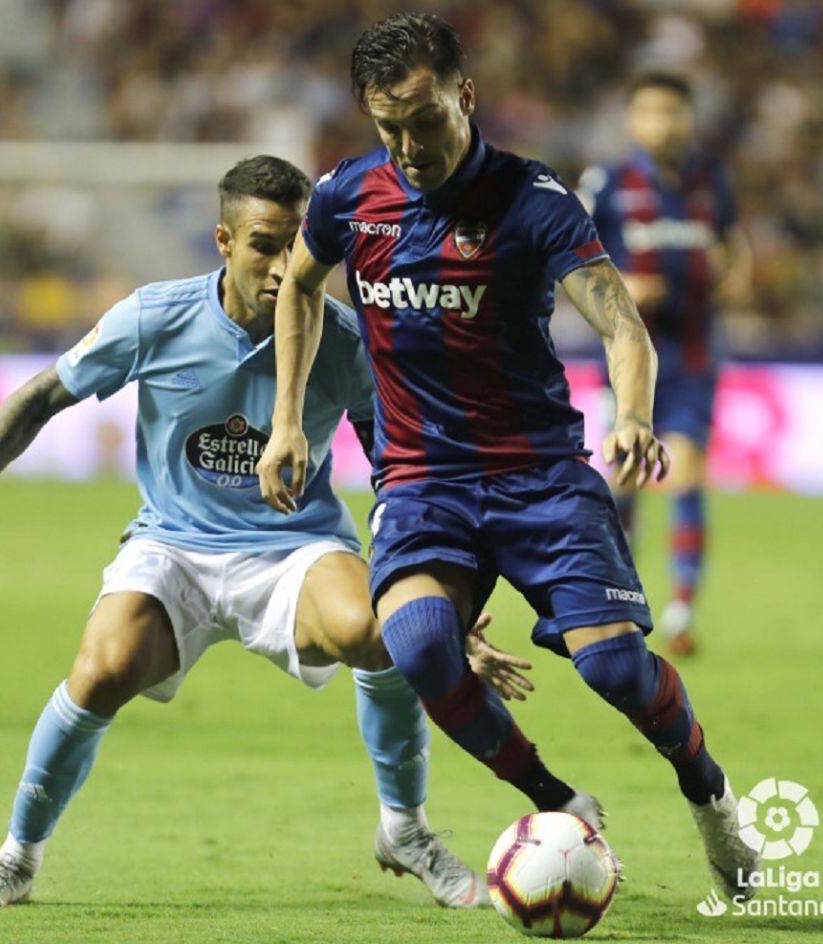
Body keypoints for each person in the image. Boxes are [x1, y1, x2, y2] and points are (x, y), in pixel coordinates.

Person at [0, 155, 565, 911]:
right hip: (173, 549)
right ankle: (17, 857)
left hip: (295, 549)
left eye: (301, 244)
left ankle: (405, 827)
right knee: (100, 669)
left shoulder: (346, 342)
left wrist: (428, 612)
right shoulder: (155, 316)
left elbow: (405, 470)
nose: (285, 264)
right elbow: (39, 398)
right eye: (265, 244)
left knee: (379, 631)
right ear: (222, 240)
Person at [257, 13, 758, 898]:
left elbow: (620, 322)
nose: (409, 146)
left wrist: (634, 416)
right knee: (418, 646)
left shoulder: (534, 201)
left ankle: (710, 794)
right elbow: (298, 284)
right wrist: (288, 420)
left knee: (611, 666)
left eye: (424, 118)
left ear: (466, 93)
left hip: (539, 478)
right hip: (421, 481)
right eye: (389, 127)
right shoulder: (348, 195)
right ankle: (559, 802)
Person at [578, 72, 752, 656]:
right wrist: (622, 284)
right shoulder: (606, 184)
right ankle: (622, 603)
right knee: (624, 479)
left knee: (688, 471)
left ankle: (679, 612)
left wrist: (734, 272)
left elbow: (732, 244)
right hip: (627, 356)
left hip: (694, 353)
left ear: (689, 118)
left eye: (673, 112)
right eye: (650, 111)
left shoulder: (710, 181)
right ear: (632, 119)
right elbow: (570, 266)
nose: (662, 123)